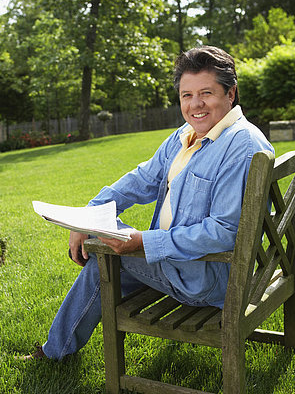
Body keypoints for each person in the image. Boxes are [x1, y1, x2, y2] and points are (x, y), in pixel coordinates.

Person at [20, 45, 273, 361]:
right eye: (186, 95)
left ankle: (55, 353)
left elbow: (224, 232)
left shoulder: (241, 146)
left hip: (208, 277)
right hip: (190, 264)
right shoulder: (188, 135)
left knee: (104, 255)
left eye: (206, 93)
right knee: (106, 242)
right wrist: (87, 214)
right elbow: (141, 179)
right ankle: (59, 349)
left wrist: (144, 243)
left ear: (230, 93)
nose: (195, 104)